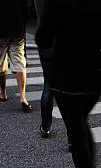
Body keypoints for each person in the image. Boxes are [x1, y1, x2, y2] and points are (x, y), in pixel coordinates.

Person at [36, 0, 101, 168]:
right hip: (93, 73)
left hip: (66, 75)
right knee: (81, 123)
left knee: (76, 129)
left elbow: (43, 39)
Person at [0, 0, 32, 113]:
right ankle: (23, 97)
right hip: (17, 26)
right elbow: (27, 5)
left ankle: (2, 93)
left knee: (0, 61)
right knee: (18, 60)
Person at [34, 0, 55, 138]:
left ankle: (46, 126)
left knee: (49, 84)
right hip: (65, 41)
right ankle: (73, 137)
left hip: (45, 39)